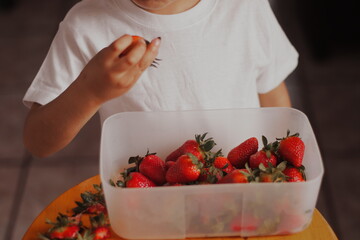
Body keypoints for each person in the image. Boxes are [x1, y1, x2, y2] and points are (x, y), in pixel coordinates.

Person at [23, 0, 298, 158]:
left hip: (241, 185)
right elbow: (38, 141)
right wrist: (90, 91)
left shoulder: (244, 6)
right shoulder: (86, 23)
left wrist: (280, 166)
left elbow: (273, 93)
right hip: (145, 199)